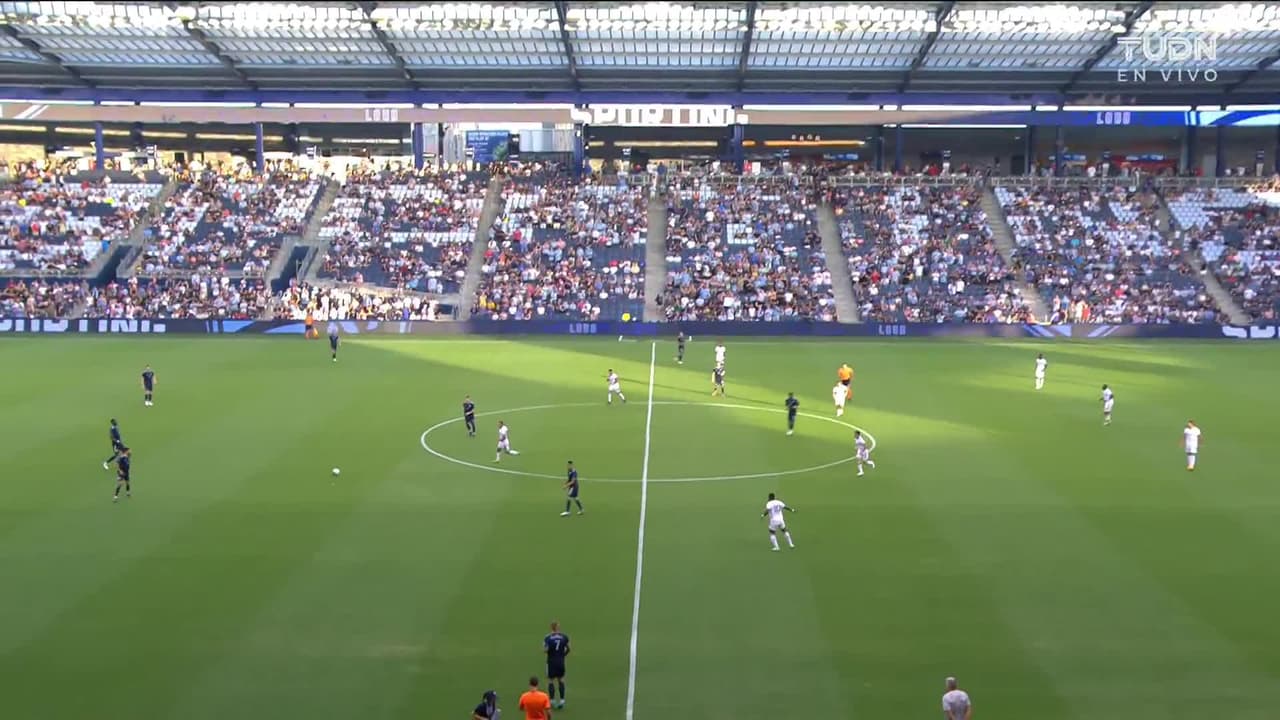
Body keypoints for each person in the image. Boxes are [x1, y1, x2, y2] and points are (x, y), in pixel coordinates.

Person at [544, 621, 571, 708]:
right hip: (560, 661)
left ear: (551, 628)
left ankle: (552, 700)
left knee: (551, 680)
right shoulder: (564, 637)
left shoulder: (548, 637)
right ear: (558, 628)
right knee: (561, 680)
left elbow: (545, 649)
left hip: (551, 661)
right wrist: (563, 655)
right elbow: (569, 648)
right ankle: (562, 700)